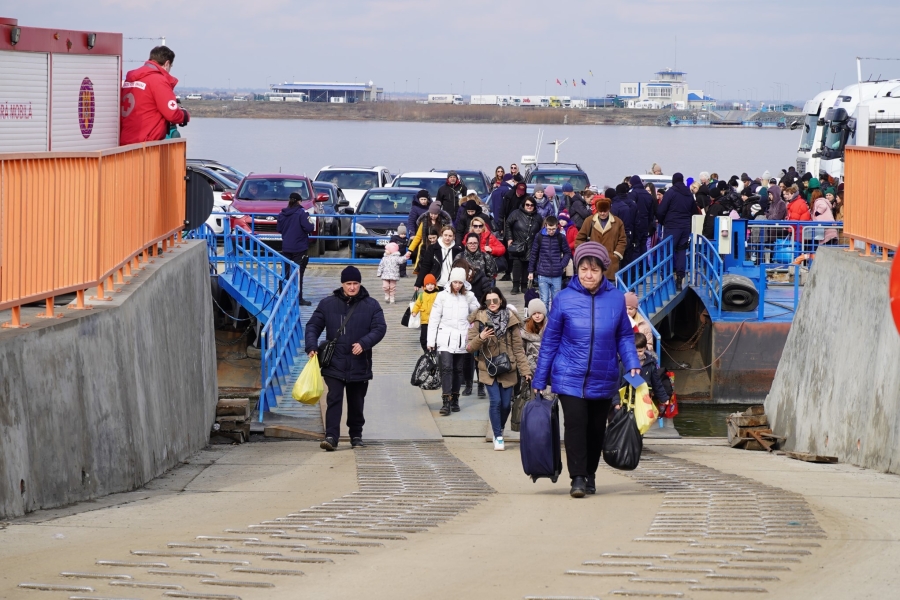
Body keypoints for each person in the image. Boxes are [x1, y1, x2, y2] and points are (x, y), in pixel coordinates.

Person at [532, 242, 641, 498]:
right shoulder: (564, 299)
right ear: (576, 270)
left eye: (593, 269)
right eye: (583, 269)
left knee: (596, 430)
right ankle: (578, 478)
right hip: (569, 375)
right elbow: (550, 342)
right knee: (575, 426)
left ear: (603, 270)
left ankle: (590, 473)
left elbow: (625, 336)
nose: (588, 274)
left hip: (603, 376)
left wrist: (633, 362)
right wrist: (540, 377)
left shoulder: (615, 298)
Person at [305, 266, 387, 451]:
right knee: (334, 398)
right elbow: (313, 326)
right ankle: (331, 436)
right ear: (342, 284)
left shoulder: (372, 305)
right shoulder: (327, 304)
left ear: (360, 283)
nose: (352, 287)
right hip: (334, 361)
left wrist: (364, 343)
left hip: (360, 362)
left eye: (355, 283)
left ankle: (356, 435)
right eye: (348, 283)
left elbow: (380, 328)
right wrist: (311, 346)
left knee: (356, 400)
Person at [467, 287, 531, 450]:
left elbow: (518, 348)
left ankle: (499, 429)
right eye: (489, 301)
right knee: (495, 401)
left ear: (501, 300)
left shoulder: (511, 319)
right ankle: (498, 436)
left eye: (495, 300)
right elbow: (469, 346)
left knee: (505, 405)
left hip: (508, 366)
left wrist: (525, 371)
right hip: (487, 366)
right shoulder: (478, 318)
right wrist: (481, 338)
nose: (492, 303)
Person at [428, 267, 480, 416]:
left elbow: (478, 312)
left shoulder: (469, 296)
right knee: (446, 367)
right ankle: (446, 401)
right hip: (445, 336)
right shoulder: (442, 296)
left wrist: (472, 321)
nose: (457, 285)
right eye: (455, 282)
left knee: (458, 369)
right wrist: (431, 341)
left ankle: (455, 398)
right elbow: (434, 318)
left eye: (460, 282)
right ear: (450, 281)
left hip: (462, 337)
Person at [120, 46, 189, 145]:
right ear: (167, 64)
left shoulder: (131, 78)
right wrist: (184, 115)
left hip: (124, 143)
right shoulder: (158, 80)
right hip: (145, 145)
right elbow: (172, 114)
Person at [657, 173, 699, 290]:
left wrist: (662, 221)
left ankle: (666, 277)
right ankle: (680, 279)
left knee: (667, 252)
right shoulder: (688, 194)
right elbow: (694, 211)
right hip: (685, 227)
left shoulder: (671, 192)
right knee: (681, 252)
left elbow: (661, 210)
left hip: (671, 226)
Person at [276, 192, 315, 306]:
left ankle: (282, 297)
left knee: (285, 273)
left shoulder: (282, 214)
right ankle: (298, 299)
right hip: (299, 248)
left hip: (286, 247)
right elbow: (309, 227)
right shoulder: (302, 213)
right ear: (299, 201)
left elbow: (279, 228)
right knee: (298, 274)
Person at [574, 197, 627, 282]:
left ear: (609, 209)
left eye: (605, 211)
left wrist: (616, 255)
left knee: (609, 290)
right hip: (592, 261)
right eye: (600, 211)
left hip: (610, 262)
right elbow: (580, 238)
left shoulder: (618, 222)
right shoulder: (589, 221)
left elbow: (622, 240)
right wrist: (584, 253)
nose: (602, 213)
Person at [528, 215, 572, 309]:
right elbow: (534, 254)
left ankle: (554, 322)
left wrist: (561, 265)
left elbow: (567, 252)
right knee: (544, 300)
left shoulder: (561, 237)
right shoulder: (539, 236)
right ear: (545, 226)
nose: (551, 231)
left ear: (557, 227)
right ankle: (546, 323)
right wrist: (531, 271)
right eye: (549, 229)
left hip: (557, 273)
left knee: (556, 301)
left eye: (553, 229)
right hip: (543, 273)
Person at [505, 196, 542, 295]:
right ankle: (515, 286)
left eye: (532, 205)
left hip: (531, 243)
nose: (529, 207)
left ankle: (524, 285)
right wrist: (509, 238)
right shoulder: (516, 213)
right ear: (524, 205)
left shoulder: (537, 217)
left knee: (527, 264)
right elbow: (507, 224)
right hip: (518, 242)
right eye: (527, 205)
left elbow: (541, 229)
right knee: (517, 265)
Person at [409, 203, 453, 274]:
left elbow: (448, 234)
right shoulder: (424, 221)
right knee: (423, 271)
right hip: (425, 248)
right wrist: (410, 250)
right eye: (431, 213)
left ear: (438, 213)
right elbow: (418, 237)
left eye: (435, 214)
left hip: (439, 248)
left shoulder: (443, 222)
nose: (433, 216)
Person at [611, 182, 638, 266]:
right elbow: (636, 221)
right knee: (628, 259)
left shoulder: (614, 205)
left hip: (617, 235)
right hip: (630, 232)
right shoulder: (633, 204)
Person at [412, 274, 439, 352]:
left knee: (434, 336)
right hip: (425, 320)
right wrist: (414, 311)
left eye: (431, 284)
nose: (430, 286)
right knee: (423, 337)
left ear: (435, 285)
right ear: (424, 286)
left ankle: (434, 350)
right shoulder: (422, 295)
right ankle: (426, 351)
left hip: (435, 321)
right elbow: (417, 304)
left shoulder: (437, 295)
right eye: (427, 284)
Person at [628, 175, 654, 256]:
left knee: (635, 246)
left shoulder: (633, 194)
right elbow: (651, 213)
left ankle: (637, 267)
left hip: (636, 225)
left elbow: (631, 210)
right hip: (645, 223)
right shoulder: (648, 195)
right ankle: (644, 267)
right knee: (644, 246)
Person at [521, 298, 547, 374]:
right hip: (530, 366)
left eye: (539, 313)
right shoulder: (524, 329)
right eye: (534, 314)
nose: (537, 316)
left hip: (547, 365)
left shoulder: (551, 327)